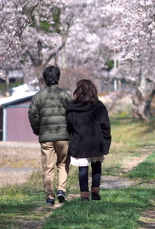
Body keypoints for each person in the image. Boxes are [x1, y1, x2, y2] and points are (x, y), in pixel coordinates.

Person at [28, 65, 72, 206]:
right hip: (64, 136)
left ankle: (49, 197)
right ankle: (61, 190)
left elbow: (32, 115)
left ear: (45, 79)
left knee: (48, 167)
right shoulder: (65, 95)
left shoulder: (38, 96)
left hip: (46, 137)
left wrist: (38, 130)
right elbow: (72, 115)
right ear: (58, 78)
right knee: (63, 164)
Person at [66, 78, 111, 201]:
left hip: (80, 142)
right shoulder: (99, 105)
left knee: (83, 169)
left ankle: (84, 196)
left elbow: (69, 125)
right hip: (96, 141)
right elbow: (105, 125)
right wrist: (106, 139)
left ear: (78, 91)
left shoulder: (72, 107)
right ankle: (95, 191)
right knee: (96, 166)